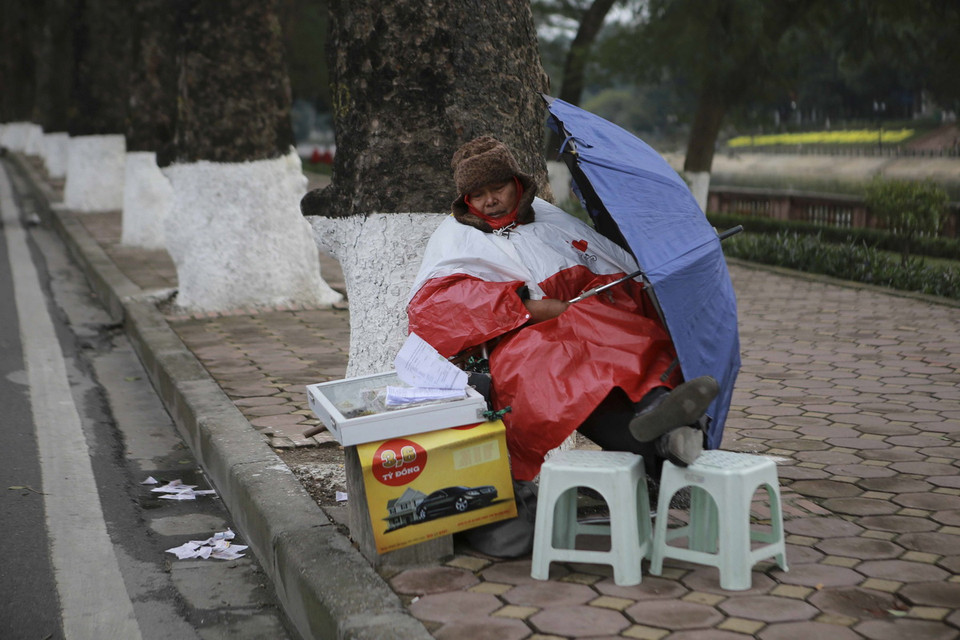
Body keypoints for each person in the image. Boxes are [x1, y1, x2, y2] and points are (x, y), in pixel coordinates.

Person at [406, 136, 718, 482]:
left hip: (575, 320)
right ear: (465, 200)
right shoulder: (455, 237)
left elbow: (604, 266)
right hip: (513, 343)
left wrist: (591, 298)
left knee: (618, 331)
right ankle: (668, 434)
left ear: (517, 184)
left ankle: (658, 406)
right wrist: (528, 307)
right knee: (560, 372)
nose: (490, 201)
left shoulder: (549, 219)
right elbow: (435, 309)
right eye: (477, 195)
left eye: (497, 189)